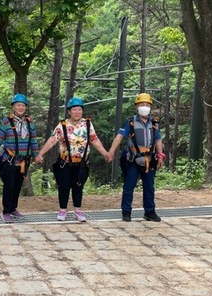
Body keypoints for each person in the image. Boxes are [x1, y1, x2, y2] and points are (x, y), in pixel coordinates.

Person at [34, 97, 110, 222]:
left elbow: (94, 140)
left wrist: (105, 154)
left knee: (78, 186)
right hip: (65, 162)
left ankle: (78, 210)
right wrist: (40, 154)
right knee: (63, 186)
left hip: (81, 163)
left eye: (79, 109)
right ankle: (63, 209)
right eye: (74, 109)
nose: (77, 112)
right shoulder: (63, 125)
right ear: (69, 111)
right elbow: (53, 140)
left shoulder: (87, 124)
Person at [107, 93, 165, 222]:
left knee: (149, 187)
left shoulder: (154, 123)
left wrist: (160, 156)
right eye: (141, 104)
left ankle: (150, 212)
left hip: (150, 160)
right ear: (136, 107)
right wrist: (110, 152)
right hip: (133, 159)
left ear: (150, 107)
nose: (144, 107)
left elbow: (158, 140)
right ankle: (126, 212)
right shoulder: (130, 122)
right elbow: (119, 137)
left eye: (147, 105)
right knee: (129, 186)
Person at [0, 93, 39, 223]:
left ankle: (13, 208)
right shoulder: (7, 121)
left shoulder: (29, 122)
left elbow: (33, 140)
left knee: (17, 185)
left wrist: (36, 155)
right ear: (13, 107)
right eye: (18, 105)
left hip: (23, 161)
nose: (21, 108)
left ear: (26, 107)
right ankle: (6, 211)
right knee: (9, 185)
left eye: (23, 105)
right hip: (9, 160)